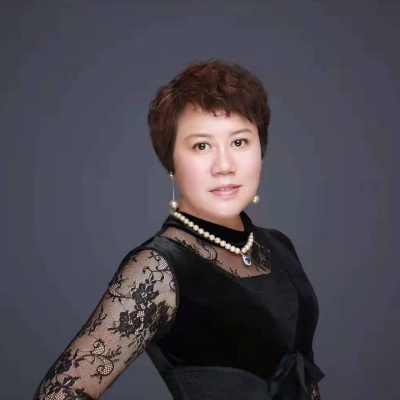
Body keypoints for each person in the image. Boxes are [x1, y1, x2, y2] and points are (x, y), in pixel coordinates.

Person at [33, 58, 325, 400]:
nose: (224, 165)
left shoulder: (278, 246)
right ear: (170, 161)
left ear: (260, 149)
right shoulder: (157, 268)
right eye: (201, 146)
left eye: (239, 142)